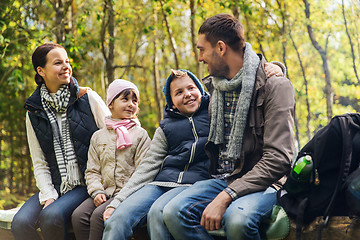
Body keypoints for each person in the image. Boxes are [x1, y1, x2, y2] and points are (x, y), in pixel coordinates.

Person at [163, 13, 296, 240]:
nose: (200, 58)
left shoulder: (275, 87)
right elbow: (183, 114)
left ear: (221, 48)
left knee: (237, 220)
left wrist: (227, 196)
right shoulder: (216, 88)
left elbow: (278, 159)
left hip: (266, 182)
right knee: (173, 212)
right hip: (224, 178)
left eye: (202, 50)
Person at [11, 43, 110, 240]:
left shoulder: (86, 97)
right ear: (41, 71)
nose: (66, 66)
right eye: (58, 63)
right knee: (20, 224)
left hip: (86, 183)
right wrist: (48, 194)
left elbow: (113, 136)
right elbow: (39, 162)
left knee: (51, 216)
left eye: (67, 61)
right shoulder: (33, 112)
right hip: (57, 184)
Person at [101, 69, 211, 240]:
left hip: (195, 183)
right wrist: (117, 201)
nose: (187, 94)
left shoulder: (214, 114)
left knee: (157, 214)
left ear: (201, 90)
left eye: (191, 88)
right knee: (117, 220)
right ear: (172, 102)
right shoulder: (166, 128)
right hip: (161, 183)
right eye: (179, 92)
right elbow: (147, 166)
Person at [71, 79, 151, 240]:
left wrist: (124, 196)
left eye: (135, 100)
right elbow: (92, 170)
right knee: (78, 216)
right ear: (111, 104)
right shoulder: (98, 136)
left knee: (98, 216)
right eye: (125, 99)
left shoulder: (140, 135)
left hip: (127, 194)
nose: (131, 104)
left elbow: (143, 172)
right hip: (104, 191)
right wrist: (96, 191)